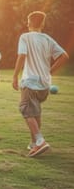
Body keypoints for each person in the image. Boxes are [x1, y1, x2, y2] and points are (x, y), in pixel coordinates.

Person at [12, 11, 69, 157]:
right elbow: (64, 56)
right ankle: (34, 144)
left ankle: (40, 141)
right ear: (42, 24)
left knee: (25, 109)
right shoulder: (48, 39)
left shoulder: (25, 37)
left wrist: (14, 76)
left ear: (28, 23)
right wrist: (49, 71)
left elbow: (22, 56)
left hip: (30, 82)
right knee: (35, 112)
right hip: (44, 84)